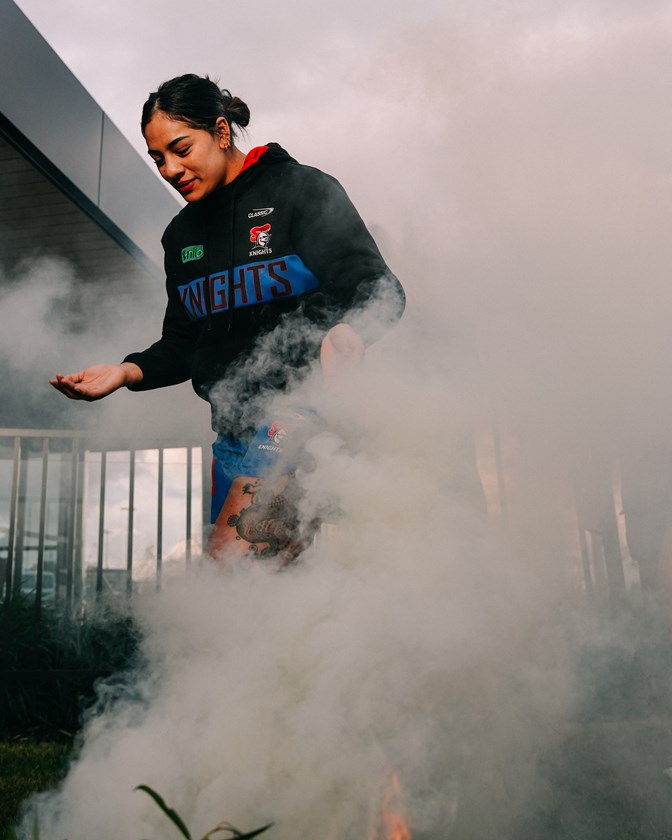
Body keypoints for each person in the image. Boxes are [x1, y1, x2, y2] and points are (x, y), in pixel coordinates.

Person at [51, 73, 405, 565]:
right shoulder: (181, 235)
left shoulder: (301, 191)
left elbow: (378, 288)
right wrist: (127, 371)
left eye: (181, 149)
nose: (171, 169)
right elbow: (183, 340)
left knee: (230, 569)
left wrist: (350, 332)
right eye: (158, 158)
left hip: (300, 419)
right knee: (264, 589)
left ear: (220, 131)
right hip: (231, 437)